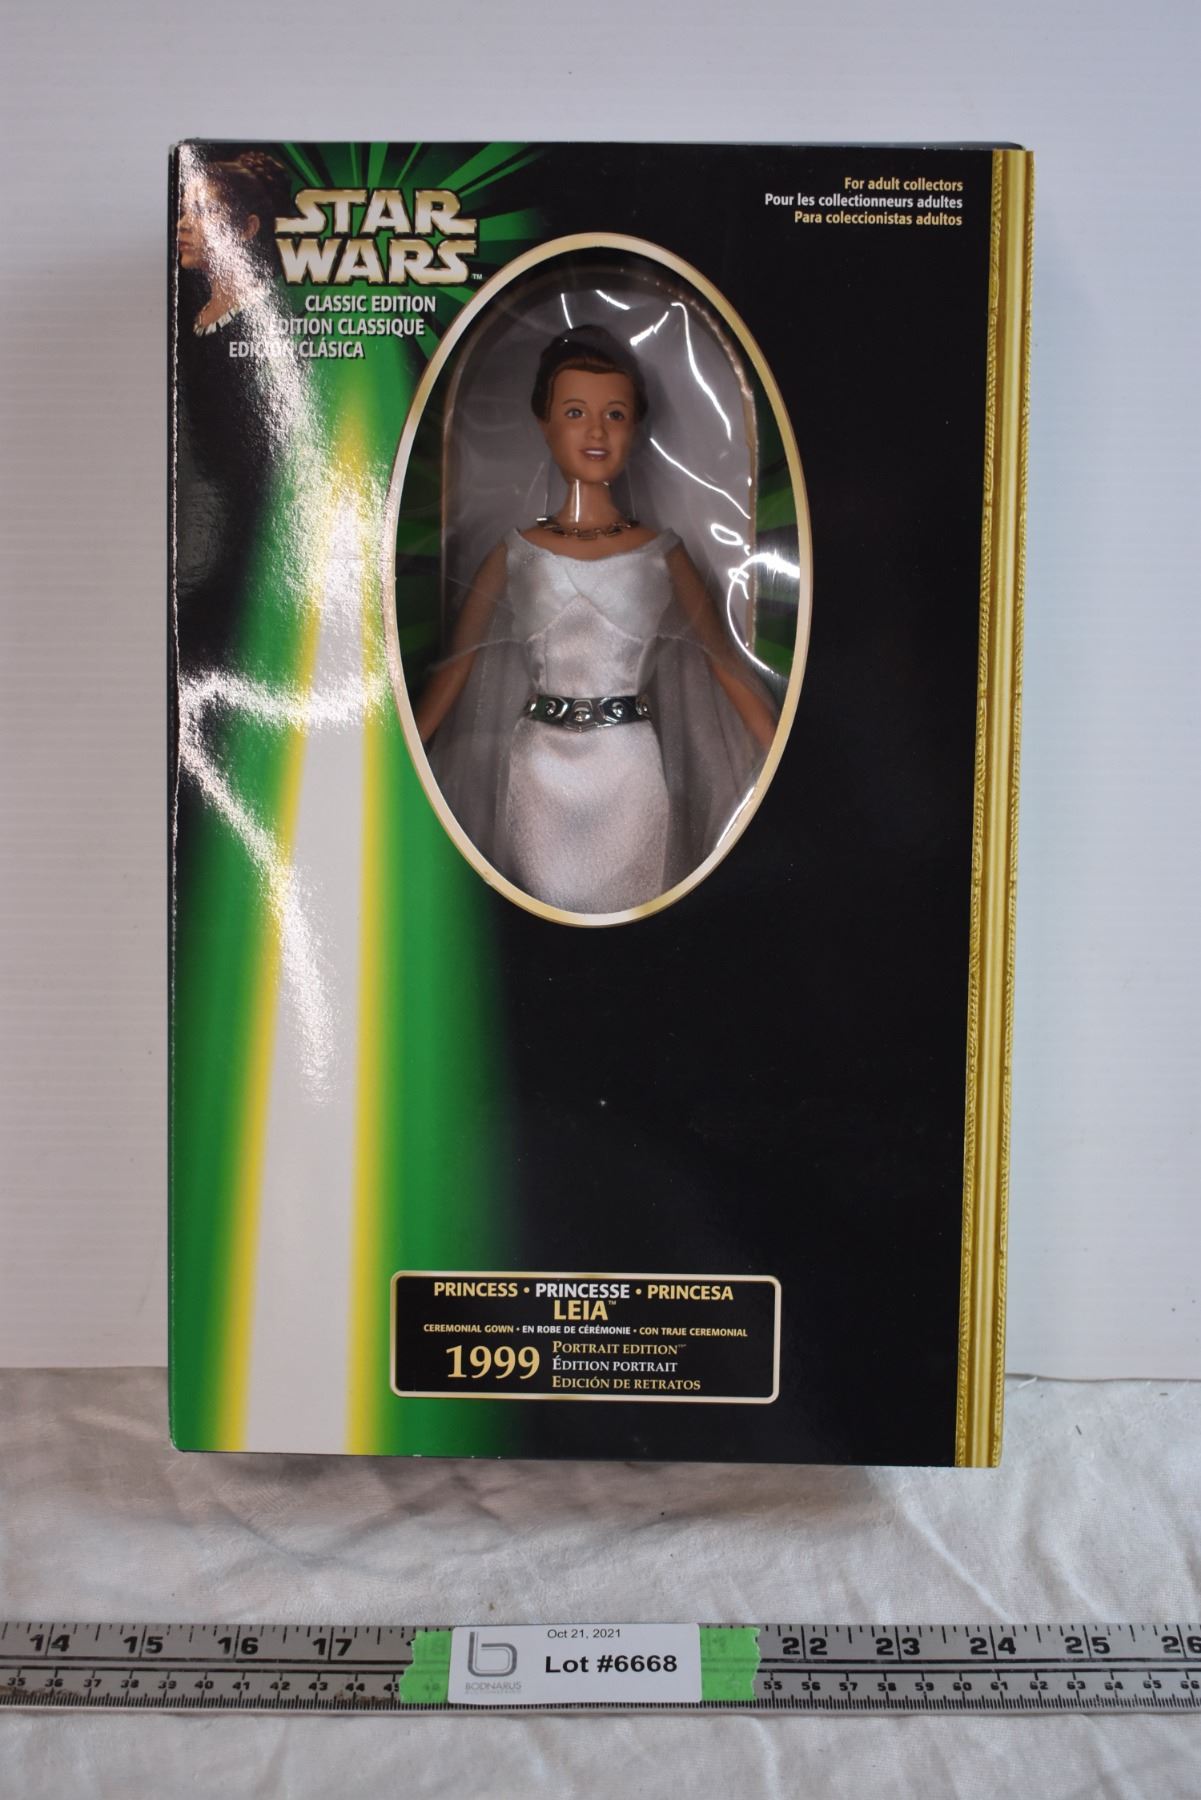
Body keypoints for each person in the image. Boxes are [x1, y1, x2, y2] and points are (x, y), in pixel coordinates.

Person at [415, 325, 778, 915]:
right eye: (575, 412)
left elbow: (724, 662)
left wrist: (783, 755)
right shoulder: (516, 551)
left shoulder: (662, 551)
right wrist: (402, 758)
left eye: (615, 414)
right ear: (544, 422)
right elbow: (457, 668)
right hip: (538, 770)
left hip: (629, 769)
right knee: (539, 914)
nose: (596, 431)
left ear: (635, 428)